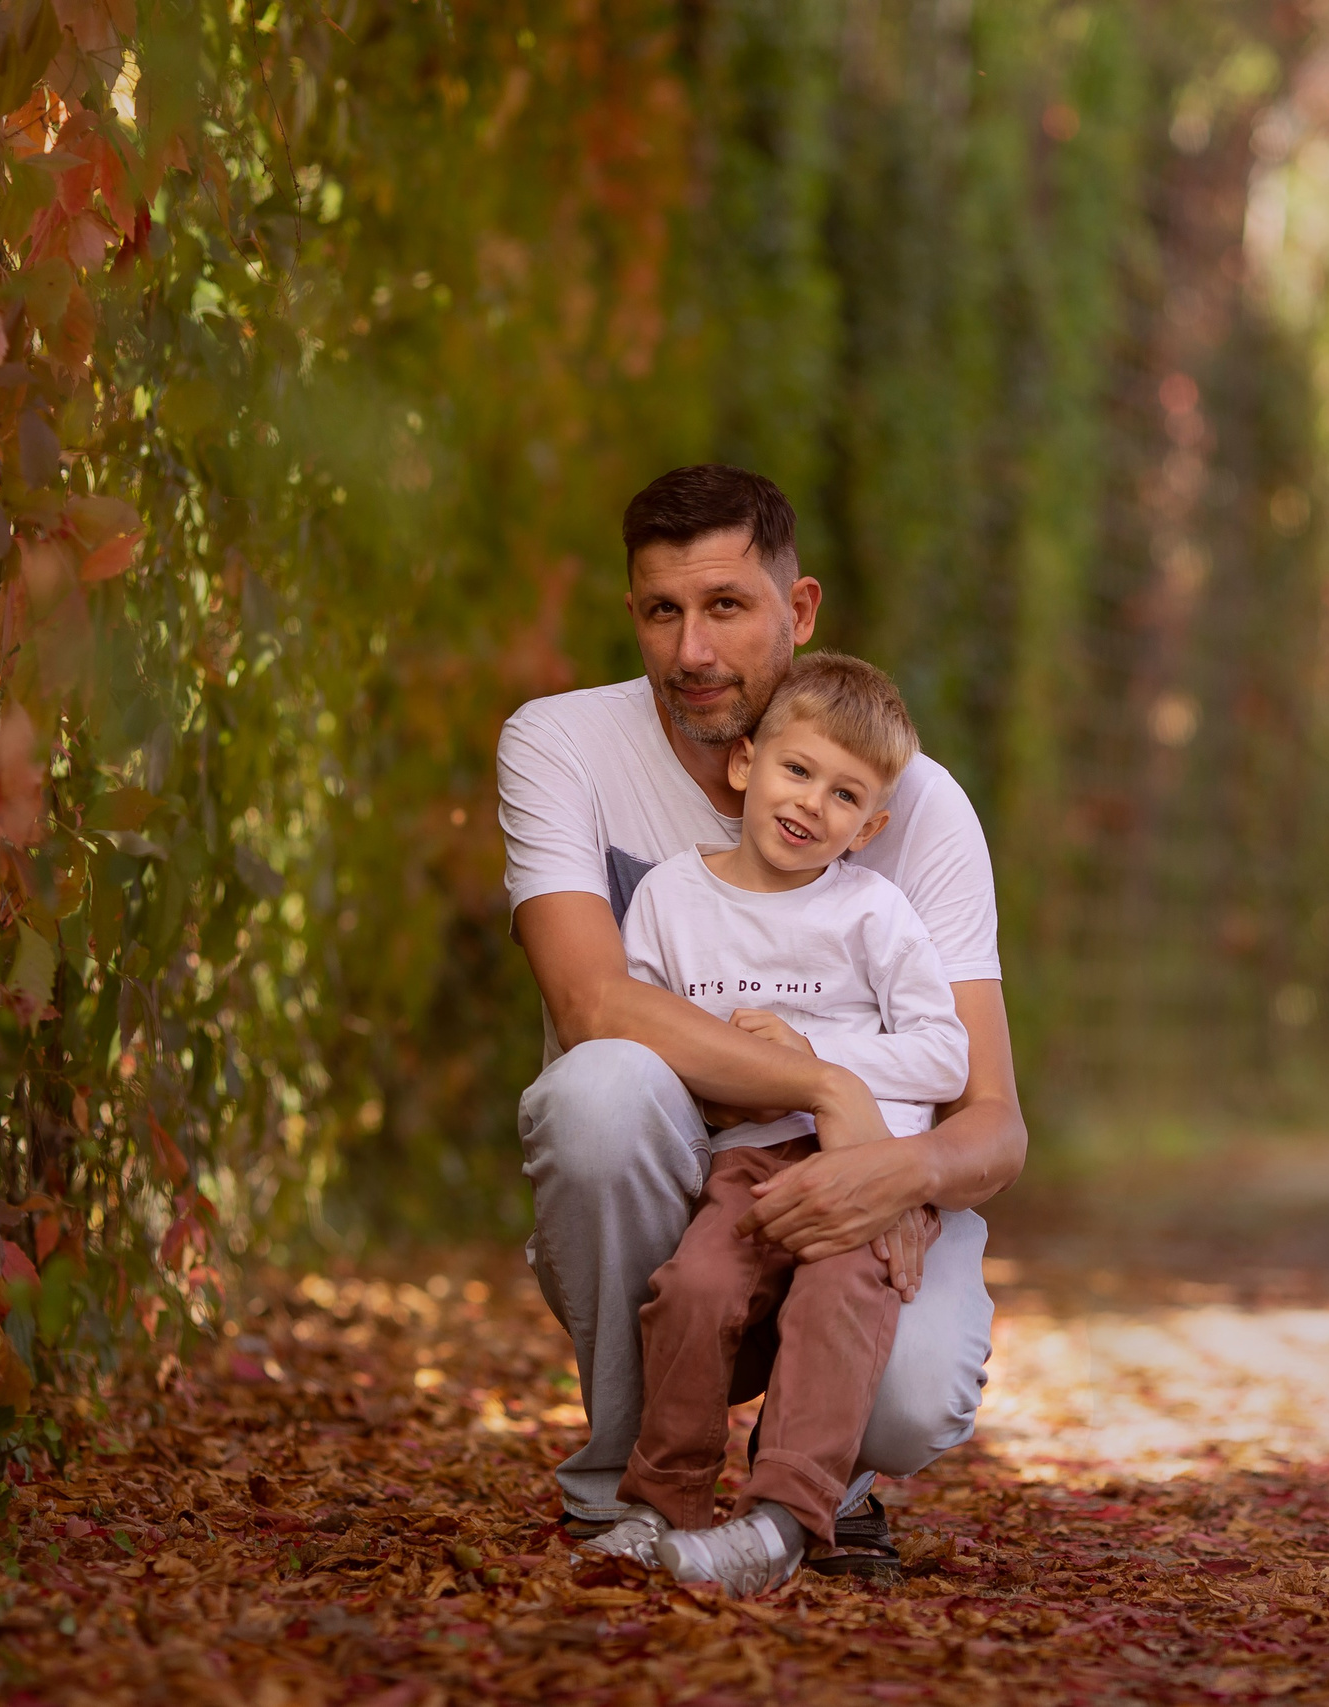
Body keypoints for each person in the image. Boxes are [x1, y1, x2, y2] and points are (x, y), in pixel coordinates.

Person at [497, 463, 1027, 1578]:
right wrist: (826, 1083)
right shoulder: (560, 746)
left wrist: (888, 1171)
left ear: (799, 609)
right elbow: (595, 1002)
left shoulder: (913, 809)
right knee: (601, 1089)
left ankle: (816, 1496)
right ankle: (625, 1490)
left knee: (913, 1400)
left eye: (727, 607)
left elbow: (992, 1122)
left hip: (855, 1173)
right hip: (688, 1175)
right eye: (661, 610)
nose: (691, 652)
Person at [602, 655, 967, 1595]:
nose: (812, 803)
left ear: (871, 826)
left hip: (857, 1165)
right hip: (740, 1166)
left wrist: (812, 1057)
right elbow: (644, 1039)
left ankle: (783, 1519)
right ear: (746, 764)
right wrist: (738, 1079)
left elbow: (943, 1054)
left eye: (846, 795)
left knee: (837, 1297)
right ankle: (662, 1506)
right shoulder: (672, 900)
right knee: (693, 1287)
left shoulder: (872, 912)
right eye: (797, 771)